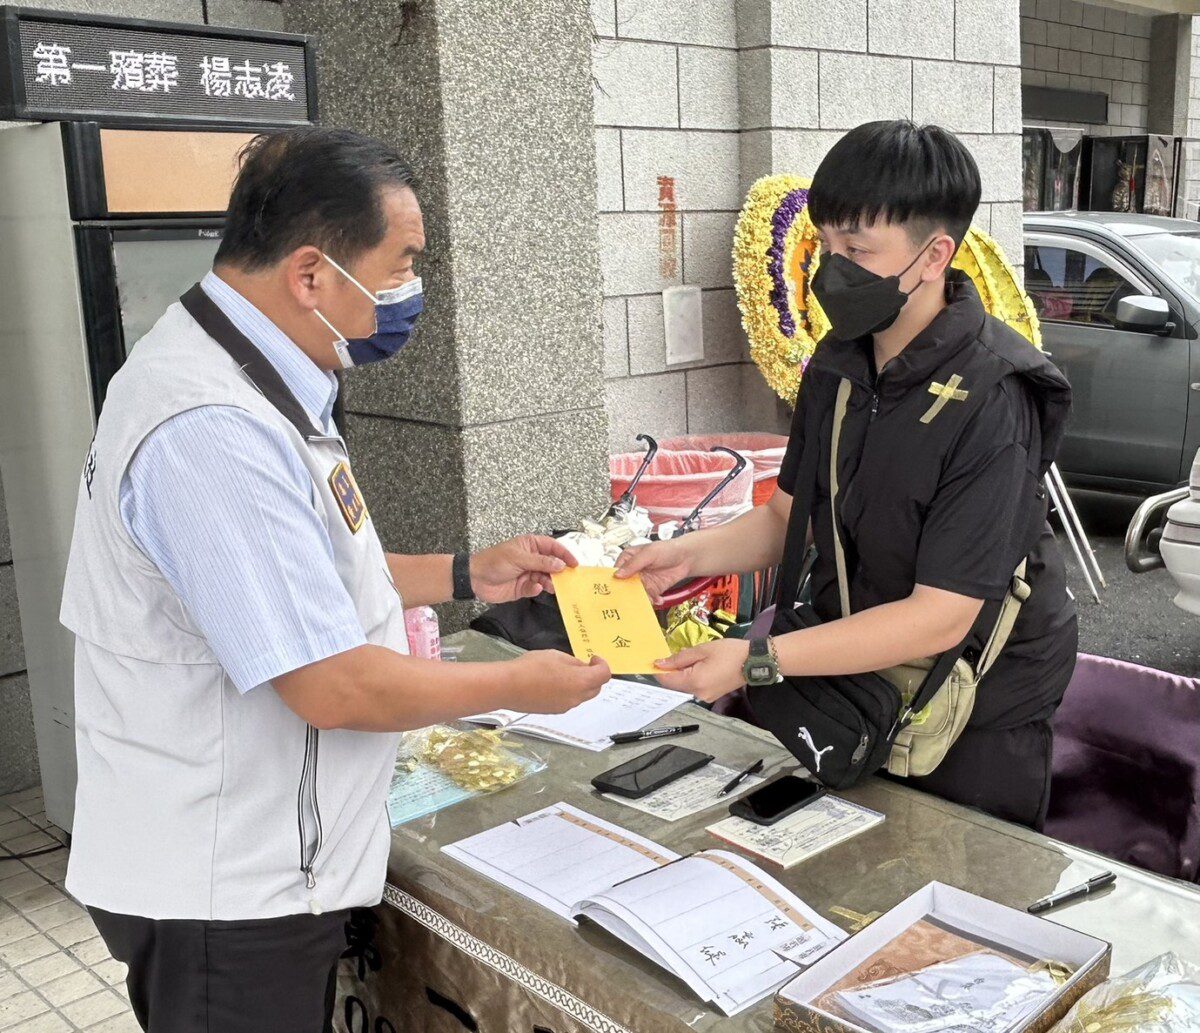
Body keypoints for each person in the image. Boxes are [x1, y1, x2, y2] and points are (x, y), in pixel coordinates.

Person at [58, 127, 610, 1033]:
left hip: (256, 860)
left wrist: (472, 572)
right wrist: (525, 687)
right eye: (398, 267)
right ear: (312, 274)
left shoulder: (258, 376)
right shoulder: (212, 428)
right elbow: (329, 680)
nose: (408, 294)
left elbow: (299, 574)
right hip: (227, 888)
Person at [618, 120, 1076, 831]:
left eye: (857, 250)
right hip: (855, 667)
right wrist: (680, 555)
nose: (832, 270)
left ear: (934, 256)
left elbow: (941, 615)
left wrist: (757, 660)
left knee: (951, 900)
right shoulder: (839, 363)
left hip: (971, 698)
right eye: (827, 244)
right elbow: (784, 518)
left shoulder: (993, 395)